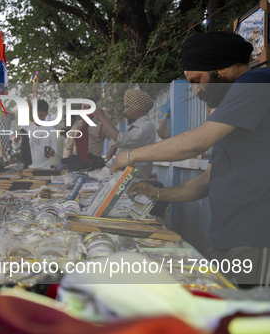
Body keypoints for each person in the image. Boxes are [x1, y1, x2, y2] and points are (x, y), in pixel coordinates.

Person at [113, 31, 270, 286]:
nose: (196, 92)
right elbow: (208, 179)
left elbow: (196, 142)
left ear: (222, 67)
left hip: (257, 237)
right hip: (227, 238)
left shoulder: (257, 82)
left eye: (197, 80)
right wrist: (158, 194)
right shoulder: (233, 107)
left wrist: (130, 155)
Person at [93, 89, 156, 187]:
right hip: (126, 180)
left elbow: (122, 140)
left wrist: (103, 118)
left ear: (136, 108)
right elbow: (119, 142)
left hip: (133, 182)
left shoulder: (145, 126)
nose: (124, 111)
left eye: (127, 107)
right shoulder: (138, 126)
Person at [14, 99, 57, 169]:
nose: (38, 118)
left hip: (45, 169)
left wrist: (52, 151)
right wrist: (15, 140)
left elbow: (55, 151)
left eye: (41, 116)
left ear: (46, 114)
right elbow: (16, 148)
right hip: (28, 169)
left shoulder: (51, 130)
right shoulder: (25, 128)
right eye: (36, 115)